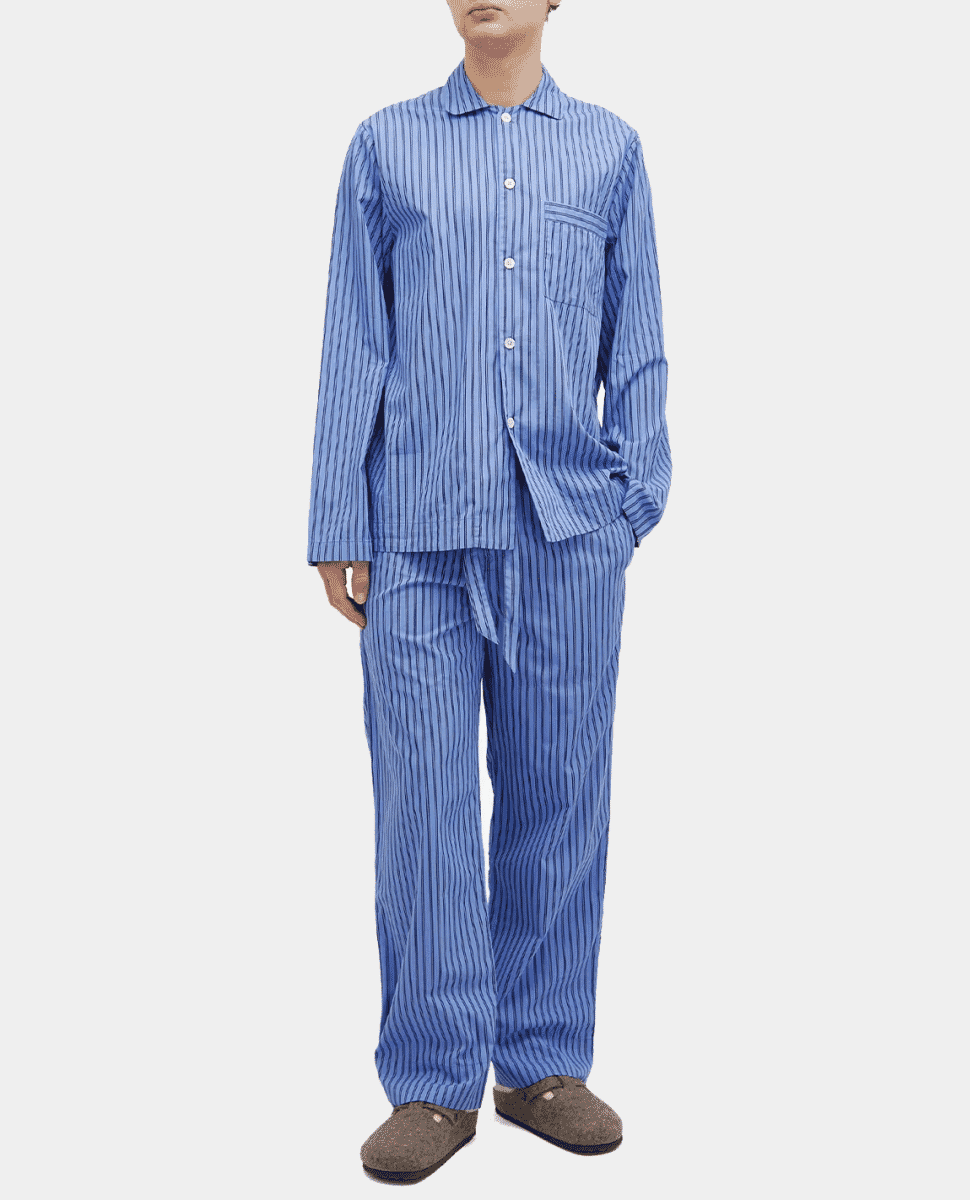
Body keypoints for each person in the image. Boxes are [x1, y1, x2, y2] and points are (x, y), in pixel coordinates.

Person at [307, 0, 671, 1183]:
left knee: (558, 796)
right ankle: (431, 1079)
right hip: (415, 533)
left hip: (567, 533)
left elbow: (637, 338)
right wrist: (337, 520)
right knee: (421, 807)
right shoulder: (386, 146)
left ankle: (542, 1063)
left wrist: (631, 502)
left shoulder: (608, 150)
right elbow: (355, 337)